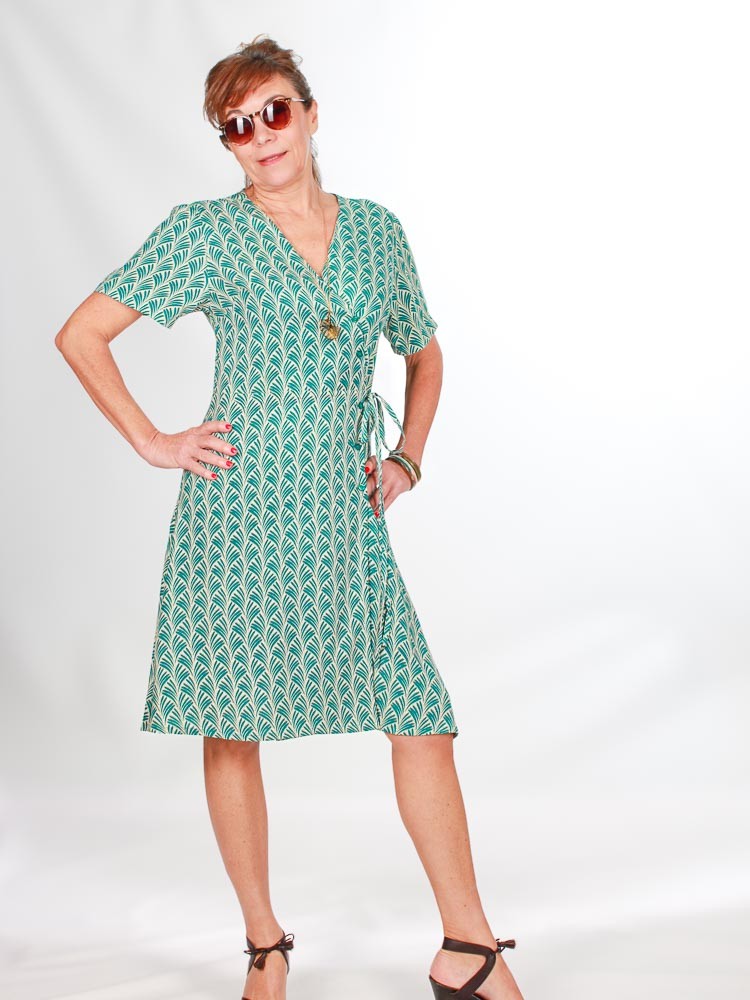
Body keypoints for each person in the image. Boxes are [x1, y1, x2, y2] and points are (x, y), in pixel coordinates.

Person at [55, 34, 524, 1000]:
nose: (260, 135)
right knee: (232, 728)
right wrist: (155, 441)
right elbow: (84, 333)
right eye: (236, 126)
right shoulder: (204, 233)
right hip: (236, 518)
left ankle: (467, 948)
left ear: (309, 113)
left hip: (346, 524)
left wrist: (407, 457)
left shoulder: (377, 232)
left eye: (273, 111)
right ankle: (265, 947)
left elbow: (424, 352)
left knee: (421, 718)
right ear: (226, 145)